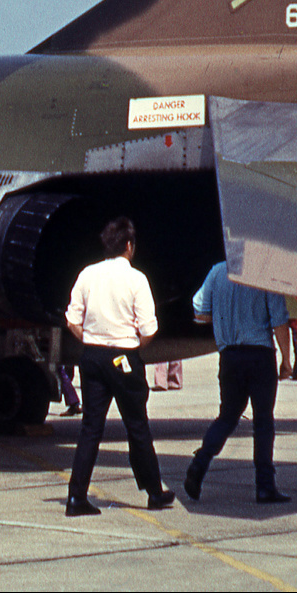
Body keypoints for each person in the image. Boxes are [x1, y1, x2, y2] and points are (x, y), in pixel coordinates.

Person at [63, 216, 174, 516]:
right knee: (137, 425)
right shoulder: (136, 279)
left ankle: (76, 497)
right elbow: (149, 329)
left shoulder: (87, 274)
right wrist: (133, 346)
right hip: (124, 355)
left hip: (92, 355)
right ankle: (154, 491)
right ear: (129, 245)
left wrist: (90, 337)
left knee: (90, 429)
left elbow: (72, 319)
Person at [182, 260, 292, 504]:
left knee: (227, 417)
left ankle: (199, 464)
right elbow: (279, 320)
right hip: (259, 355)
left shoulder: (217, 271)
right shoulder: (264, 273)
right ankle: (265, 485)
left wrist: (225, 317)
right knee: (263, 421)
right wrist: (287, 358)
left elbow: (199, 308)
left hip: (230, 355)